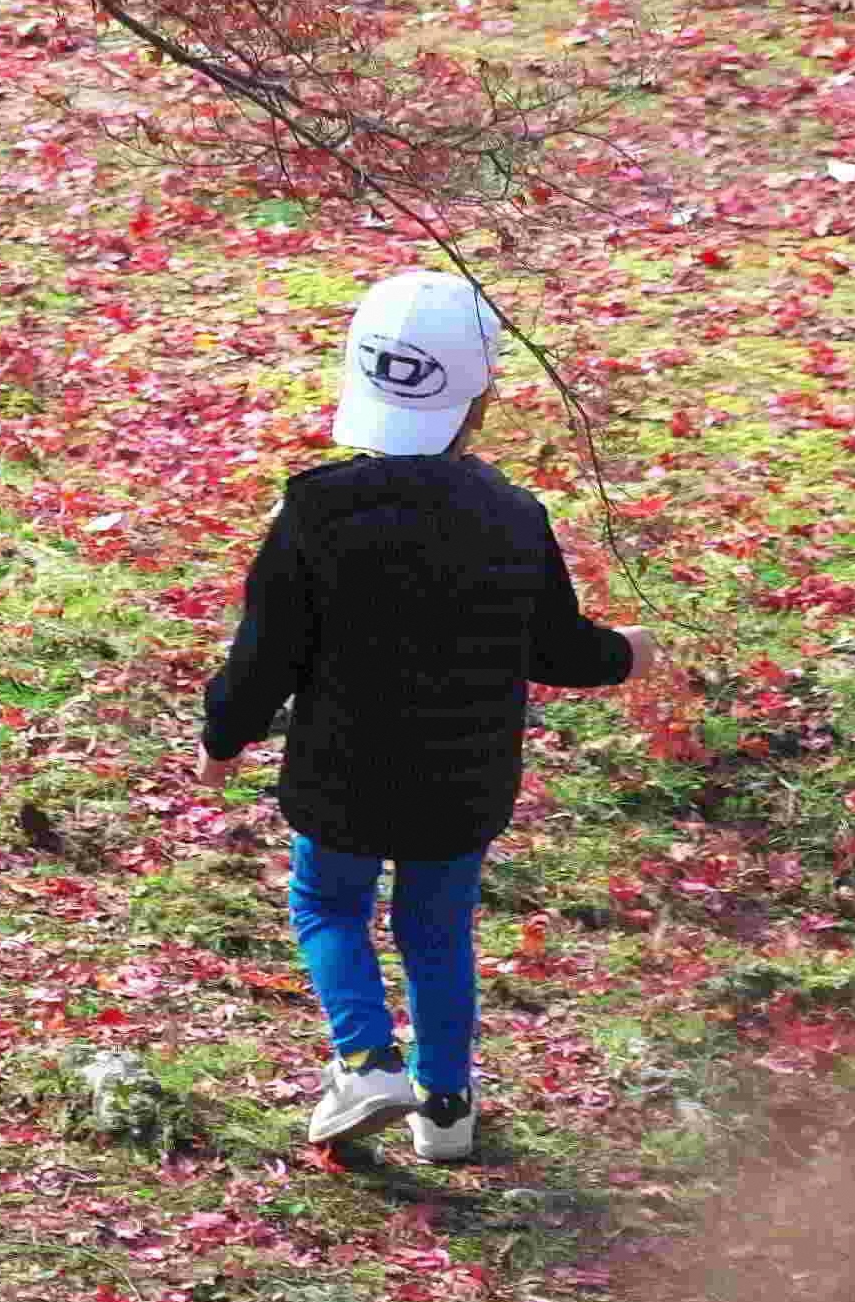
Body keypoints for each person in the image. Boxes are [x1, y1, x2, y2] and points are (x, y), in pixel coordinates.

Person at [203, 261, 638, 1181]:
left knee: (328, 904)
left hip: (341, 777)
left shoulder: (316, 511)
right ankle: (446, 1106)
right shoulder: (515, 517)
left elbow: (264, 653)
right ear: (477, 400)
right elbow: (556, 650)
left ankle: (365, 1063)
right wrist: (630, 652)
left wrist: (224, 735)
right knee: (437, 931)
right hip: (463, 783)